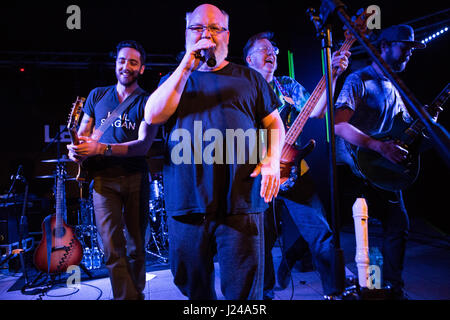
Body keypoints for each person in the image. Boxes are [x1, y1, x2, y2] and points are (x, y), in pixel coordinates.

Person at [144, 4, 285, 300]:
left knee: (244, 294)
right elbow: (152, 115)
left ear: (227, 36)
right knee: (194, 291)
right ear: (186, 34)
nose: (206, 34)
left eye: (214, 28)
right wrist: (186, 65)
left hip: (241, 202)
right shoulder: (173, 82)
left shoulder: (250, 79)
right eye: (197, 28)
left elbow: (274, 123)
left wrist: (272, 161)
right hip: (187, 204)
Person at [334, 25, 439, 299]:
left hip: (384, 171)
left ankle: (393, 288)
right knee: (345, 229)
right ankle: (364, 287)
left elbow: (404, 133)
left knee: (397, 226)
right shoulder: (359, 80)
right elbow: (338, 125)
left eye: (411, 49)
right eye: (404, 46)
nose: (409, 53)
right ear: (383, 46)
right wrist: (378, 146)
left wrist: (426, 125)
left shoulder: (394, 87)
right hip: (358, 169)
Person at [244, 31, 351, 299]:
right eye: (264, 49)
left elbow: (316, 111)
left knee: (321, 233)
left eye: (274, 49)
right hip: (258, 175)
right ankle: (265, 295)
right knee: (261, 241)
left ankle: (335, 291)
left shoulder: (286, 85)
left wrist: (334, 75)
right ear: (249, 58)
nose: (272, 53)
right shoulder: (242, 88)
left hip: (294, 172)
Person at [67, 40, 158, 300]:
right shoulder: (97, 95)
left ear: (141, 68)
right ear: (115, 63)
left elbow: (143, 146)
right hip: (102, 181)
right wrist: (76, 150)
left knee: (136, 247)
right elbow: (83, 136)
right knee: (111, 248)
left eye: (132, 62)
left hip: (135, 178)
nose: (126, 66)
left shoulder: (148, 101)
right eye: (121, 60)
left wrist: (101, 149)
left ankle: (135, 293)